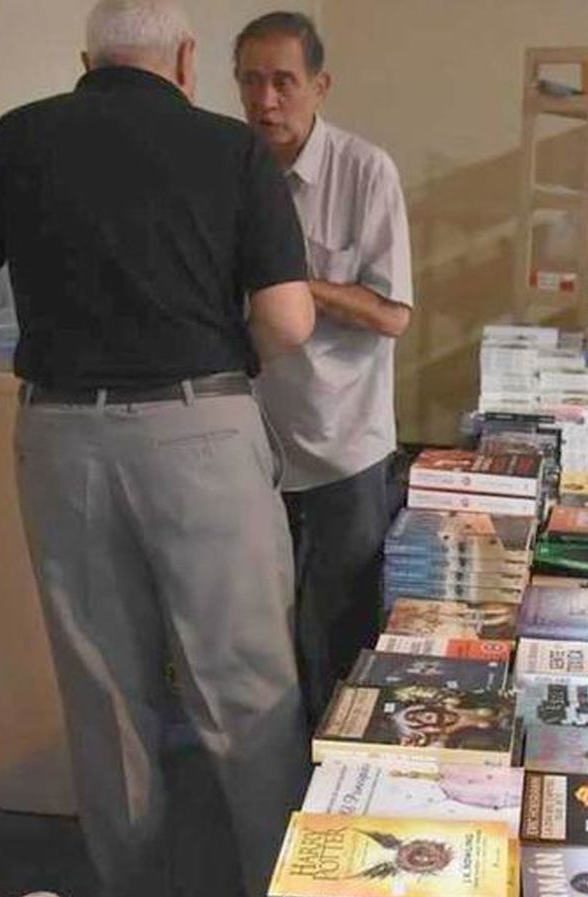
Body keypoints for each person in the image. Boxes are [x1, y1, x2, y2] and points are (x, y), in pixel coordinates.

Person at [0, 0, 313, 897]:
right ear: (185, 60)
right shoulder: (232, 151)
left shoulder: (20, 134)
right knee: (250, 695)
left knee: (107, 703)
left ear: (83, 61)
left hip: (64, 436)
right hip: (203, 429)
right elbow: (290, 322)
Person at [234, 11, 415, 724]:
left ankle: (337, 780)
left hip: (345, 443)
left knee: (342, 630)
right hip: (250, 443)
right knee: (258, 629)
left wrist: (292, 282)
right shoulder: (228, 166)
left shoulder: (365, 171)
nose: (267, 100)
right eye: (252, 81)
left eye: (284, 81)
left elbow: (393, 314)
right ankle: (272, 778)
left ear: (320, 85)